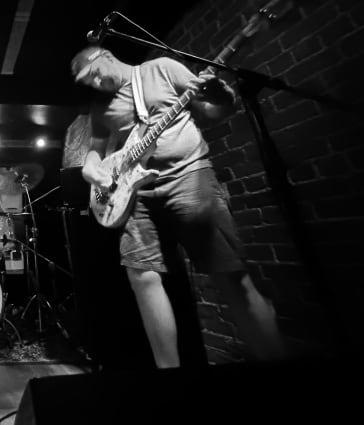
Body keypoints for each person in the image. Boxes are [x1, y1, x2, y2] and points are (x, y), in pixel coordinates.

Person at [70, 46, 285, 368]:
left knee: (229, 274)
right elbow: (96, 149)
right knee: (142, 276)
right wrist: (89, 167)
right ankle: (169, 373)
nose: (95, 83)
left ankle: (276, 360)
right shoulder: (100, 107)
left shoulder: (161, 68)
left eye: (94, 74)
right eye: (88, 82)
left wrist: (221, 95)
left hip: (188, 174)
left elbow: (211, 112)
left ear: (106, 57)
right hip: (134, 193)